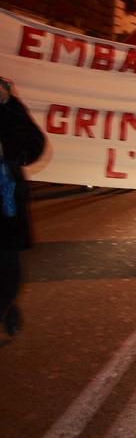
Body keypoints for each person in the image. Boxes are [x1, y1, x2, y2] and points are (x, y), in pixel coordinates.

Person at [0, 77, 45, 338]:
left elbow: (35, 145)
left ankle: (5, 304)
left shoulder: (11, 110)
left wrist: (9, 152)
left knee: (8, 266)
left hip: (6, 202)